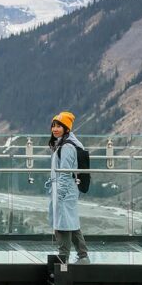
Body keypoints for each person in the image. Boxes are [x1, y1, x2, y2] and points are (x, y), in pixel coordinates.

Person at [47, 111, 90, 264]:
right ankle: (83, 256)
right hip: (65, 189)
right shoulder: (65, 144)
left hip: (64, 190)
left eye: (59, 126)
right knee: (70, 222)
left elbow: (65, 173)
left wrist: (60, 194)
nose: (55, 129)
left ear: (67, 128)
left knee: (63, 224)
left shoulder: (66, 147)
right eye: (53, 126)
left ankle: (62, 257)